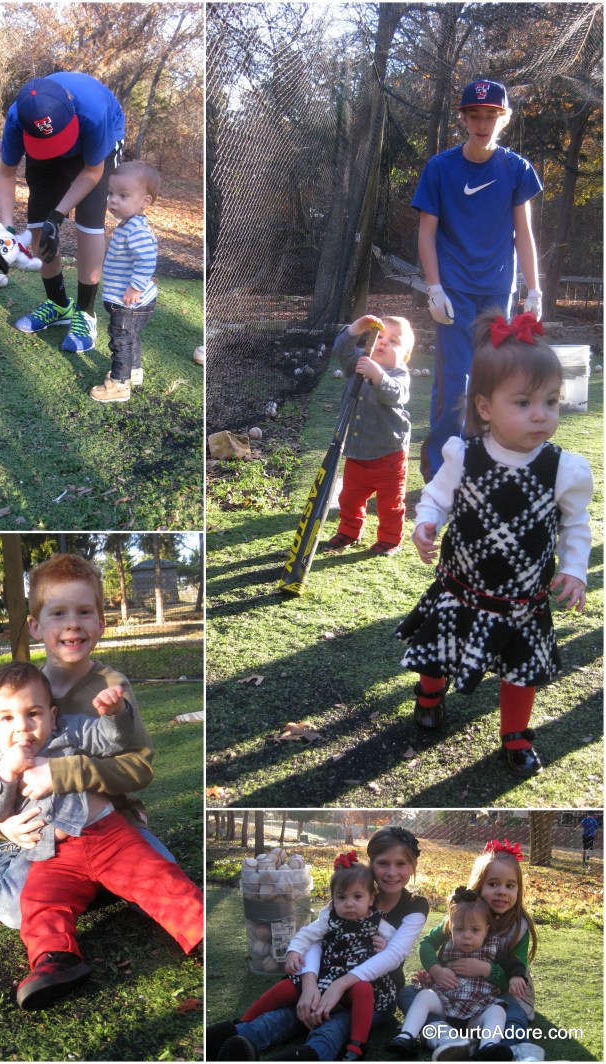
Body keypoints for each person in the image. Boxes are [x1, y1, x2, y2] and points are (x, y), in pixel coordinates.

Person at [396, 310, 593, 776]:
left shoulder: (562, 469)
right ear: (485, 407)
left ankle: (516, 735)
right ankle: (429, 694)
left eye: (551, 401)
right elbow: (437, 497)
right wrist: (426, 522)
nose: (541, 414)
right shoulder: (464, 456)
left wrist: (575, 568)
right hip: (460, 590)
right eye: (523, 402)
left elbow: (576, 526)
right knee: (440, 648)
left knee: (520, 670)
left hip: (522, 602)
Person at [0, 661, 203, 1010]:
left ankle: (201, 933)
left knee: (159, 876)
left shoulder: (69, 731)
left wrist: (115, 713)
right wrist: (6, 773)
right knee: (37, 904)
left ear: (51, 715)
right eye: (7, 718)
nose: (22, 728)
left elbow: (111, 739)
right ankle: (55, 960)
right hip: (52, 852)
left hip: (108, 834)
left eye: (33, 714)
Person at [0, 552, 178, 928]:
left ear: (102, 622)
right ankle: (1, 858)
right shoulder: (22, 693)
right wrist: (2, 828)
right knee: (16, 913)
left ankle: (94, 882)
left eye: (84, 612)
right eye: (58, 613)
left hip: (110, 825)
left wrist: (65, 772)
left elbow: (139, 769)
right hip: (43, 834)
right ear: (34, 625)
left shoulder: (113, 688)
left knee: (166, 883)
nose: (72, 625)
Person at [412, 78, 543, 480]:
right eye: (475, 115)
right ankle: (440, 476)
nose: (482, 123)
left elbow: (524, 234)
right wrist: (433, 288)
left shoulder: (516, 169)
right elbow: (427, 232)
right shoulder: (440, 168)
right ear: (464, 118)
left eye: (491, 115)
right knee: (455, 384)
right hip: (453, 290)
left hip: (497, 292)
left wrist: (533, 290)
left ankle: (485, 469)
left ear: (502, 119)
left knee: (495, 382)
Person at [206, 826, 429, 1062]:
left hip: (372, 995)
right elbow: (316, 937)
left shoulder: (415, 905)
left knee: (333, 1026)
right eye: (383, 863)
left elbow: (394, 955)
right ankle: (234, 1039)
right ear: (371, 863)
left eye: (401, 864)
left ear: (413, 866)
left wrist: (339, 986)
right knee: (291, 1015)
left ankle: (303, 1056)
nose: (391, 872)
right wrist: (309, 984)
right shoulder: (350, 893)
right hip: (324, 981)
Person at [0, 72, 126, 353]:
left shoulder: (93, 111)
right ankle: (58, 305)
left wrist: (60, 214)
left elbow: (92, 171)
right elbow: (5, 174)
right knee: (38, 222)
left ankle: (86, 313)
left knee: (89, 223)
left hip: (95, 147)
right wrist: (7, 230)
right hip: (42, 151)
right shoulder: (19, 118)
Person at [221, 853, 397, 1062]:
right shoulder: (328, 919)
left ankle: (358, 1044)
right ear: (333, 899)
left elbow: (394, 949)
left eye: (357, 897)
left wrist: (384, 946)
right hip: (326, 977)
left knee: (364, 990)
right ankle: (243, 1022)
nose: (349, 904)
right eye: (342, 897)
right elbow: (304, 935)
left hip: (356, 980)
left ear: (371, 898)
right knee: (286, 987)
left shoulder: (378, 925)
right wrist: (294, 952)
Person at [400, 840, 539, 1060]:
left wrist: (485, 969)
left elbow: (516, 970)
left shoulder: (519, 927)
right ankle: (447, 1037)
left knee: (512, 1011)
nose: (502, 892)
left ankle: (514, 1049)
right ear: (478, 885)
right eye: (493, 884)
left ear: (518, 890)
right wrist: (435, 970)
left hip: (496, 995)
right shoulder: (461, 915)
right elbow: (426, 943)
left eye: (510, 886)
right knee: (409, 994)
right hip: (451, 992)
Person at [385, 886, 527, 1060]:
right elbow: (427, 948)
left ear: (486, 930)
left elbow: (513, 964)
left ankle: (488, 1047)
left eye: (475, 930)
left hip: (477, 1011)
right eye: (459, 929)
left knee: (498, 1011)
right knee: (424, 996)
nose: (467, 936)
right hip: (446, 1004)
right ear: (451, 928)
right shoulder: (448, 946)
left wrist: (517, 976)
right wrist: (433, 974)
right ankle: (406, 1037)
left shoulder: (492, 947)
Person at [324, 313, 414, 555]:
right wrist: (356, 328)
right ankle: (349, 530)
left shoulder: (399, 375)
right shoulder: (359, 362)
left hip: (389, 455)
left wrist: (378, 375)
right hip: (357, 452)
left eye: (393, 341)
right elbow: (341, 351)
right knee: (350, 498)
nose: (383, 342)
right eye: (380, 336)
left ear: (405, 357)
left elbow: (394, 394)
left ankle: (390, 539)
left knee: (390, 504)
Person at [89, 160, 160, 403]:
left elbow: (147, 259)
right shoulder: (131, 224)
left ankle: (119, 384)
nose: (113, 200)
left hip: (130, 300)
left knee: (121, 339)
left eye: (123, 195)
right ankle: (134, 371)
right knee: (131, 336)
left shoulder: (135, 229)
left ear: (145, 202)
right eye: (111, 194)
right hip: (131, 299)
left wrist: (135, 287)